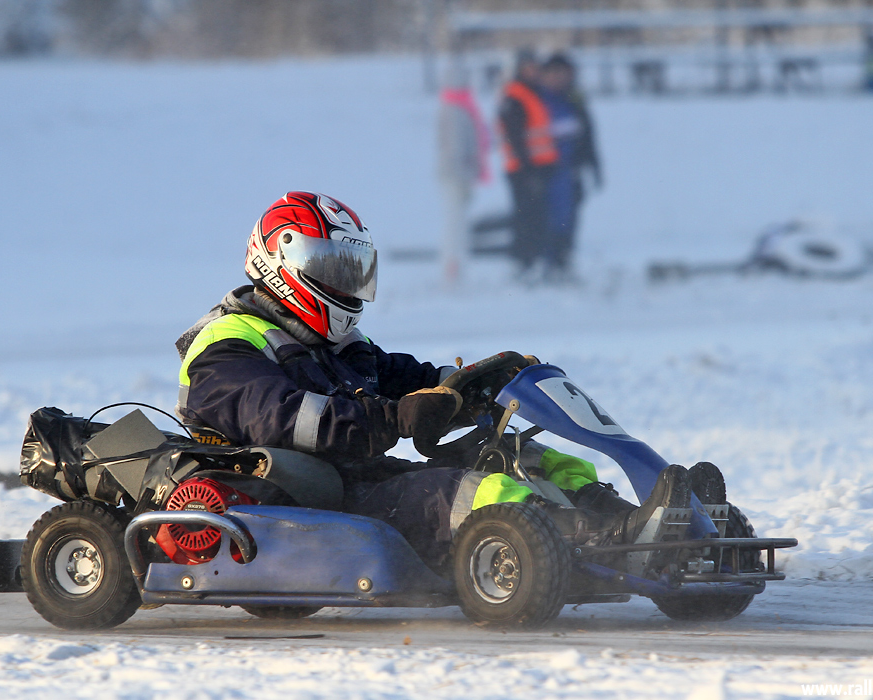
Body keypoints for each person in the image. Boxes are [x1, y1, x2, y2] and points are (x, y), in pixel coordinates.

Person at [175, 191, 707, 571]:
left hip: (360, 479)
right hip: (305, 497)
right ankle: (604, 545)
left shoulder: (337, 342)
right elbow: (285, 419)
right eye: (331, 267)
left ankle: (638, 523)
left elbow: (409, 377)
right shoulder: (226, 345)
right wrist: (394, 418)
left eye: (351, 269)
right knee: (471, 491)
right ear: (279, 262)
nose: (344, 283)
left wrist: (470, 384)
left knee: (523, 456)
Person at [536, 53, 602, 283]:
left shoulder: (575, 100)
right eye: (553, 74)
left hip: (570, 170)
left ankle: (564, 262)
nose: (558, 79)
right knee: (548, 219)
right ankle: (548, 264)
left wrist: (594, 166)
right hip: (546, 170)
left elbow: (588, 135)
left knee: (569, 219)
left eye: (563, 74)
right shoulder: (538, 100)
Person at [498, 49, 558, 282]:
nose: (532, 72)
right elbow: (515, 138)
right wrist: (528, 170)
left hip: (540, 168)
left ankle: (534, 261)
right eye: (528, 68)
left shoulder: (535, 93)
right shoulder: (515, 97)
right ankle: (524, 263)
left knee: (538, 218)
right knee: (525, 219)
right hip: (523, 171)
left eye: (535, 68)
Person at [437, 60, 490, 284]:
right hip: (457, 176)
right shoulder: (456, 109)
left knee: (458, 224)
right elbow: (456, 149)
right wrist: (465, 174)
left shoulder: (461, 107)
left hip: (459, 175)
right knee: (455, 225)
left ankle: (456, 268)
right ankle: (452, 271)